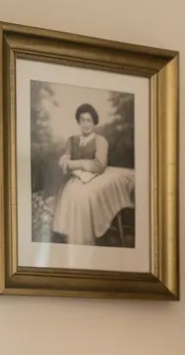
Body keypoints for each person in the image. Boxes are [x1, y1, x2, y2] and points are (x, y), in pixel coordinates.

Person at [51, 103, 135, 247]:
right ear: (78, 122)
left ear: (94, 122)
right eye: (82, 120)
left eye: (89, 120)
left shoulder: (100, 141)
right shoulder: (72, 140)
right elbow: (65, 160)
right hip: (77, 177)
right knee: (71, 194)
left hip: (98, 175)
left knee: (89, 196)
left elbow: (99, 165)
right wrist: (67, 162)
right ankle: (71, 234)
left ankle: (93, 233)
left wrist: (75, 164)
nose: (86, 124)